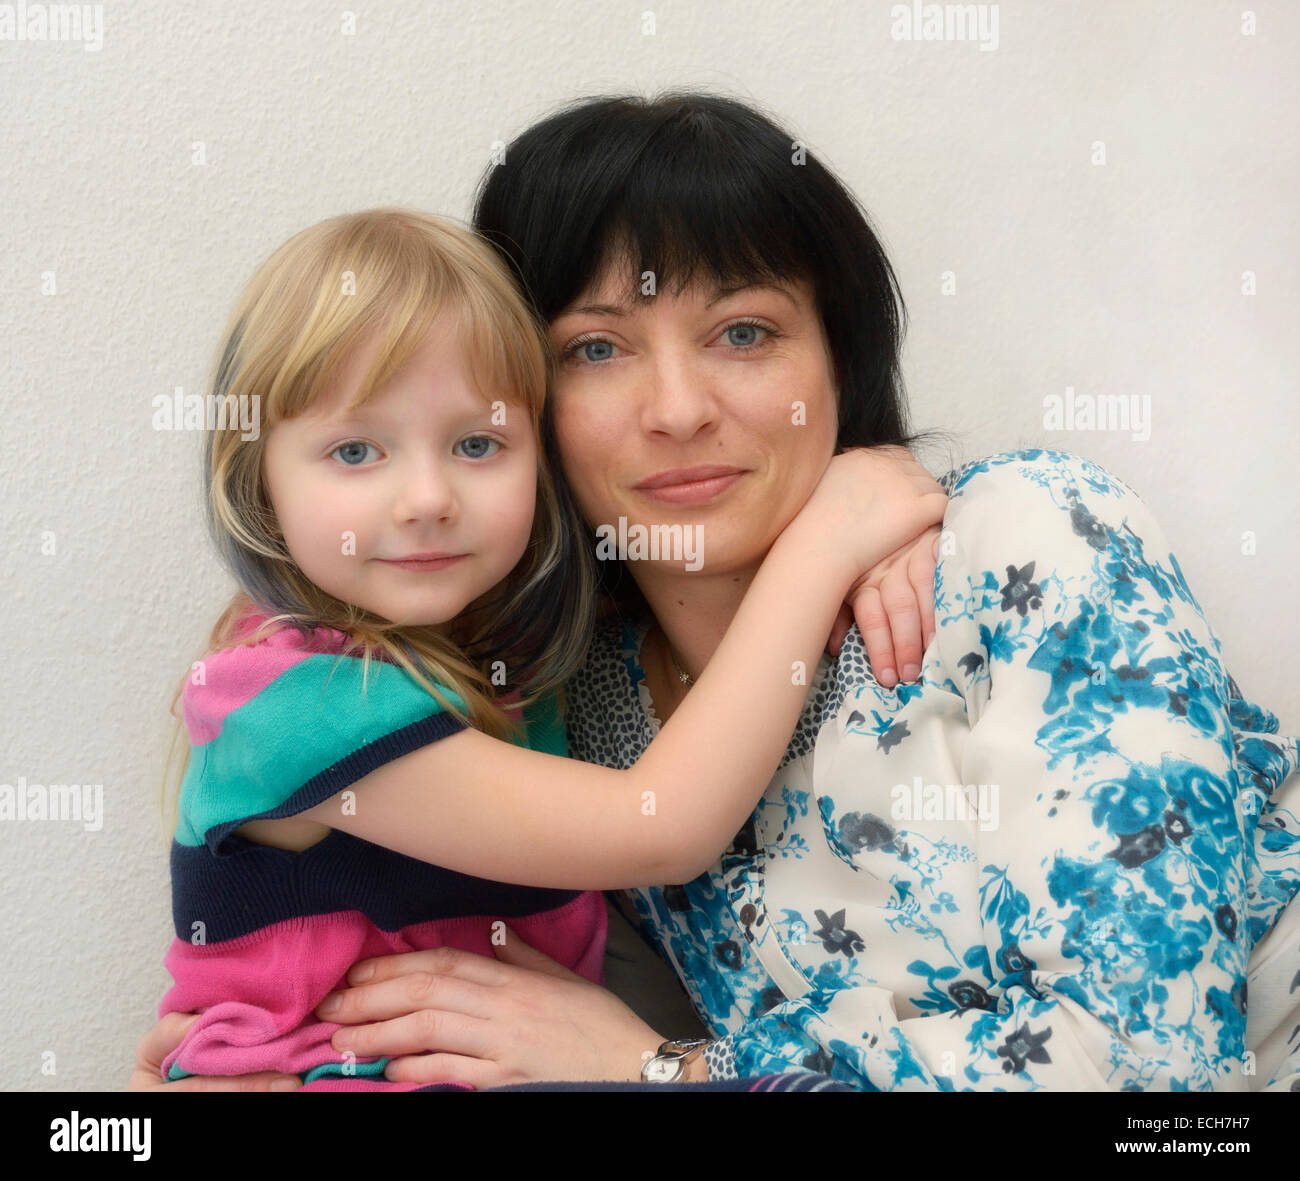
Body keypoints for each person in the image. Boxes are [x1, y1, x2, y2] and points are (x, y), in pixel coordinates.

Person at [134, 93, 1299, 1092]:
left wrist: (663, 1071)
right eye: (596, 348)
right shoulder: (563, 702)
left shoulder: (1020, 539)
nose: (679, 408)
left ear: (839, 364)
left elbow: (1166, 1088)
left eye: (743, 332)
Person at [151, 204, 948, 1091]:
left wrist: (888, 548)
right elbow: (664, 827)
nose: (427, 497)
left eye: (478, 443)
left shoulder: (519, 659)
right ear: (255, 479)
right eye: (355, 450)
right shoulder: (288, 699)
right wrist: (826, 540)